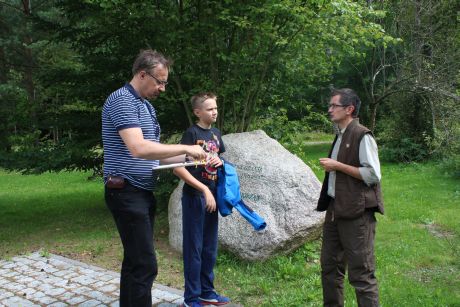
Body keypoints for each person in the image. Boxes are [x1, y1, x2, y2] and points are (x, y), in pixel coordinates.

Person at [102, 49, 206, 307]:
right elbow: (139, 148)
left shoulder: (145, 107)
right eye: (159, 81)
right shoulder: (122, 100)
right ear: (142, 74)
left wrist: (194, 159)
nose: (162, 88)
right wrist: (185, 148)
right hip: (125, 191)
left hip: (141, 192)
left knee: (135, 262)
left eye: (165, 83)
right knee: (145, 264)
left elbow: (155, 156)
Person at [316, 88, 384, 307]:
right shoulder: (340, 134)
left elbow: (372, 175)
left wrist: (338, 166)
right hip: (335, 209)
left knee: (361, 274)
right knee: (329, 267)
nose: (329, 109)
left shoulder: (362, 135)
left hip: (357, 213)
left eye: (334, 105)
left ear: (349, 109)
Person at [173, 93, 231, 307]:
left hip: (213, 197)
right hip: (195, 197)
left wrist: (219, 160)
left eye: (215, 108)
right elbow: (177, 168)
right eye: (209, 109)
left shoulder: (215, 133)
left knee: (209, 248)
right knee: (194, 248)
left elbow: (220, 159)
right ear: (197, 112)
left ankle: (207, 292)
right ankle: (190, 298)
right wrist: (204, 190)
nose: (214, 112)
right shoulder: (191, 133)